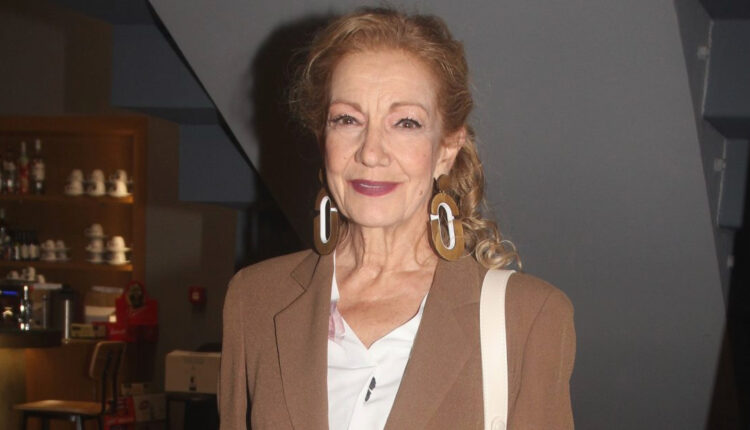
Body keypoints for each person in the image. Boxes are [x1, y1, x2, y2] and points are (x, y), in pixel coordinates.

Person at [219, 7, 575, 430]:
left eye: (405, 123)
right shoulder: (255, 301)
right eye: (347, 119)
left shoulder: (529, 318)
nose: (371, 152)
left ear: (447, 148)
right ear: (323, 137)